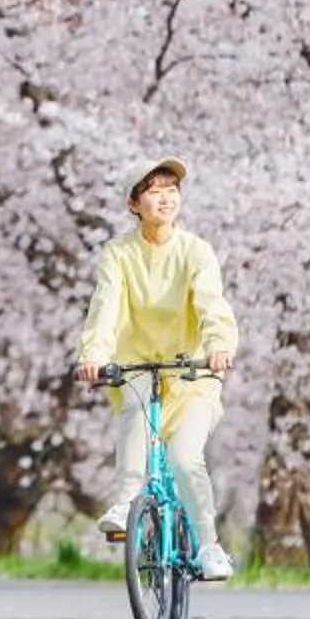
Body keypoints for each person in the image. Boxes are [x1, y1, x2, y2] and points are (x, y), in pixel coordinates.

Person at [74, 157, 241, 581]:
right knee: (134, 416)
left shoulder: (195, 251)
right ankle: (126, 503)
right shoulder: (119, 253)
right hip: (138, 367)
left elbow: (211, 303)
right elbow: (105, 307)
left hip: (192, 373)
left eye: (172, 188)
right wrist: (94, 355)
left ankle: (209, 546)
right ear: (134, 203)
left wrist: (219, 345)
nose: (166, 196)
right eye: (154, 189)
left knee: (185, 459)